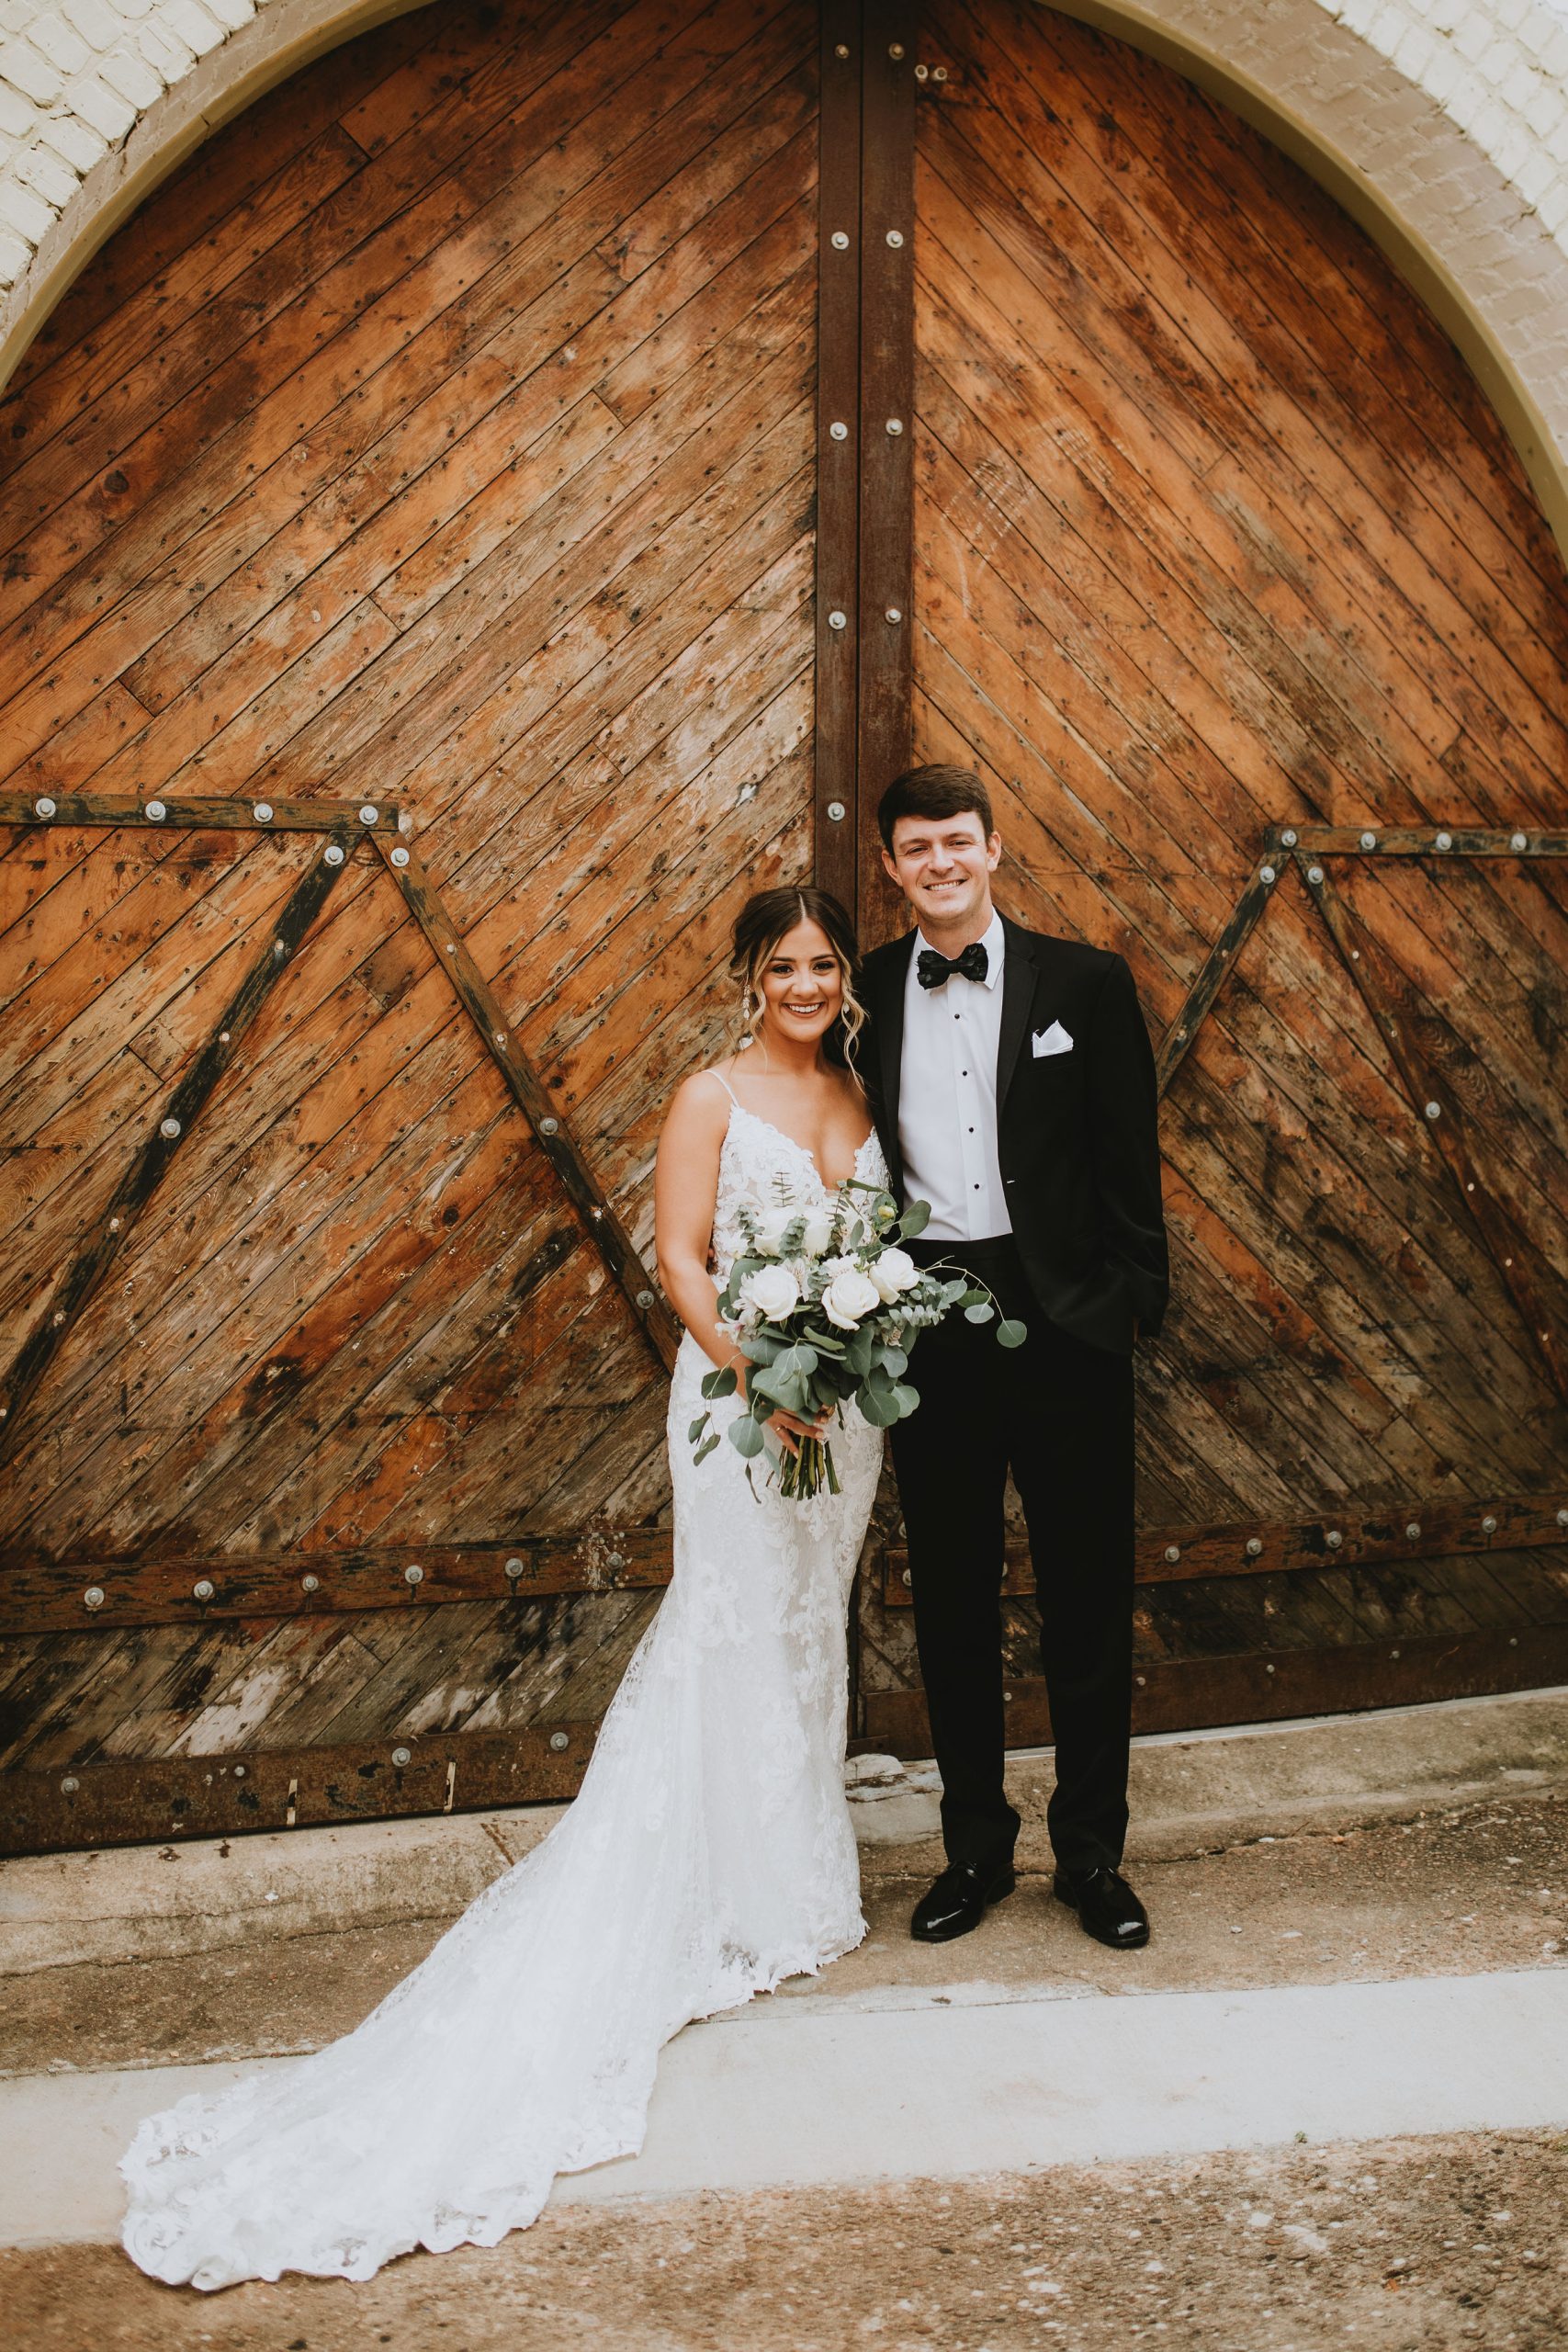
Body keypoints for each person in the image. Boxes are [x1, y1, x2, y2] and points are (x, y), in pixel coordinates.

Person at [118, 886, 888, 2290]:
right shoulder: (709, 1094)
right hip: (741, 1404)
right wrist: (762, 1377)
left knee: (801, 1630)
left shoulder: (853, 1084)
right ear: (746, 977)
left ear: (847, 976)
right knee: (729, 1623)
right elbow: (678, 1258)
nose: (806, 983)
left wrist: (843, 1368)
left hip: (847, 1422)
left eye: (824, 963)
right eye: (783, 965)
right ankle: (713, 1883)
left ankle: (788, 1876)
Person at [860, 764, 1169, 1952]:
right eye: (917, 849)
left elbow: (1125, 1157)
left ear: (994, 849)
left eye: (957, 842)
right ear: (892, 868)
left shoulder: (1083, 983)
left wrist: (1127, 1305)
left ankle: (1092, 1855)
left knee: (1088, 1595)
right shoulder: (870, 992)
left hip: (1067, 1324)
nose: (938, 863)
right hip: (931, 1321)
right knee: (950, 1597)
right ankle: (975, 1851)